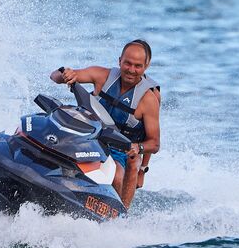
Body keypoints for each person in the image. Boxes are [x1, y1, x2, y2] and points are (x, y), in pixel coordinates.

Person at [50, 39, 161, 210]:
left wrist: (141, 165)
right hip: (89, 137)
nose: (131, 70)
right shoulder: (101, 75)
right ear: (119, 61)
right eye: (127, 63)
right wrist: (65, 74)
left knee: (116, 174)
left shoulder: (148, 100)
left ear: (146, 66)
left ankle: (115, 215)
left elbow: (154, 143)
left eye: (138, 66)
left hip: (120, 150)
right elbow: (55, 76)